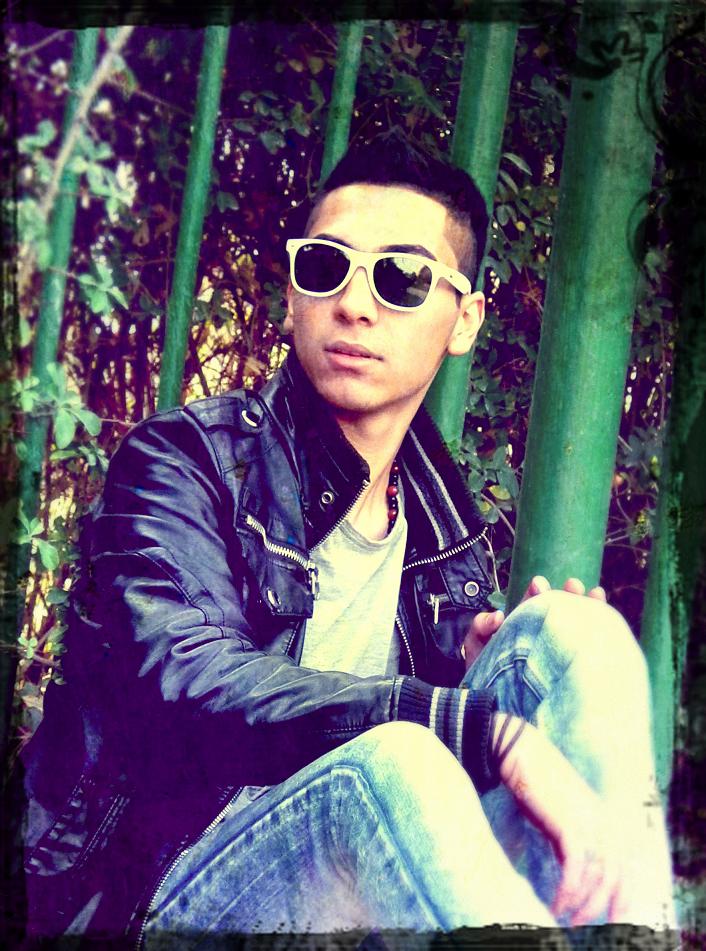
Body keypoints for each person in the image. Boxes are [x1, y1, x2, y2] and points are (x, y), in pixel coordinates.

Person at [20, 137, 676, 944]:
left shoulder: (444, 539)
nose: (355, 305)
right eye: (327, 267)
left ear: (465, 319)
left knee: (579, 635)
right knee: (396, 755)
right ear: (293, 298)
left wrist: (464, 674)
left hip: (353, 908)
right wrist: (478, 727)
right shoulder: (183, 461)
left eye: (402, 278)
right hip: (156, 904)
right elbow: (185, 682)